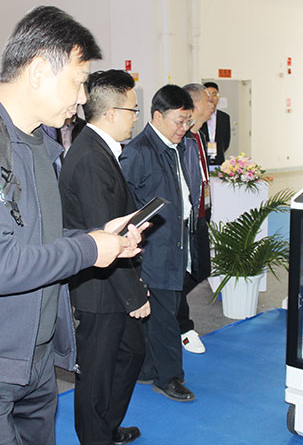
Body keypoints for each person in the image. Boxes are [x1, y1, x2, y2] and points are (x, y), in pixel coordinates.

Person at [0, 7, 146, 445]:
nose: (83, 98)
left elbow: (39, 241)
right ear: (39, 71)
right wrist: (89, 249)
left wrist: (100, 240)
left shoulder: (38, 144)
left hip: (33, 358)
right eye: (78, 82)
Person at [60, 69, 150, 445]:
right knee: (96, 373)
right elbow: (103, 239)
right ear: (112, 112)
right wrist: (135, 296)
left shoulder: (99, 150)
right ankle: (96, 436)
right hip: (99, 285)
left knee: (130, 352)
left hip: (110, 281)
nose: (136, 118)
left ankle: (106, 428)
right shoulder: (91, 158)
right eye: (133, 110)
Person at [120, 84, 200, 403]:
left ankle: (148, 369)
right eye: (179, 121)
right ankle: (170, 378)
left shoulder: (172, 146)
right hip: (153, 249)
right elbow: (123, 202)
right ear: (157, 116)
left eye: (188, 121)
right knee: (166, 316)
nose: (184, 128)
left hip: (173, 243)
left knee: (158, 312)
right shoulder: (139, 151)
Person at [177, 83, 215, 354]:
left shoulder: (199, 135)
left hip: (202, 213)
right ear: (194, 104)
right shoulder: (182, 138)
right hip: (186, 218)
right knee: (182, 273)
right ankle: (182, 325)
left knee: (202, 270)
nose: (212, 104)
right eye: (207, 100)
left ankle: (169, 304)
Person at [199, 81, 231, 165]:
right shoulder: (199, 116)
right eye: (208, 94)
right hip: (201, 158)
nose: (211, 97)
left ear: (218, 97)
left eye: (214, 94)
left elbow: (226, 141)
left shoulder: (224, 117)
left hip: (219, 158)